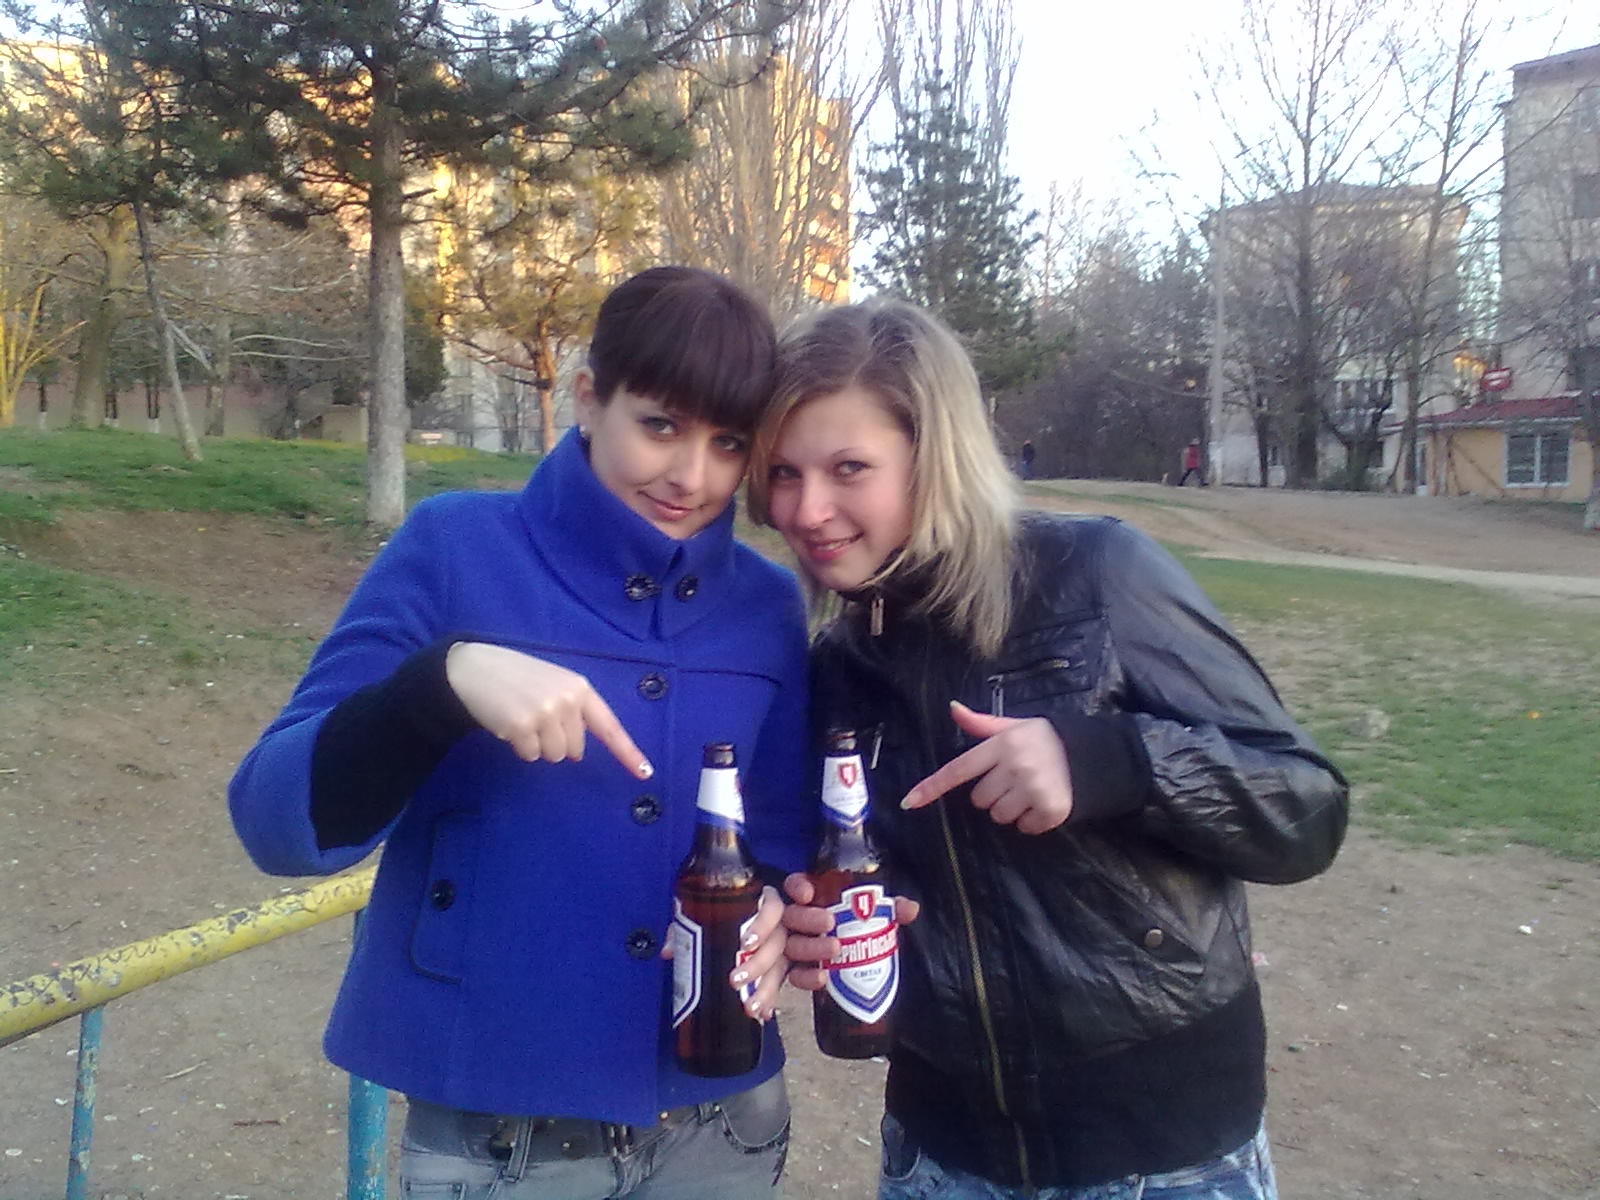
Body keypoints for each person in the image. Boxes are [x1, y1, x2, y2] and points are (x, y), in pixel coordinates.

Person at [229, 267, 814, 1199]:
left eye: (728, 443)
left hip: (722, 1125)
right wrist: (440, 684)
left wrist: (784, 906)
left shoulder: (768, 606)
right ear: (588, 398)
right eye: (660, 425)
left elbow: (782, 842)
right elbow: (275, 823)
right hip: (498, 1134)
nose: (692, 476)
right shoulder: (453, 548)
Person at [748, 299, 1348, 1200]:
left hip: (1162, 1153)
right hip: (942, 1154)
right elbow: (851, 883)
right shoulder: (834, 665)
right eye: (784, 474)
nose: (808, 509)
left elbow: (1306, 809)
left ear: (935, 456)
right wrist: (809, 922)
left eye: (849, 469)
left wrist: (1112, 762)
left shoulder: (1095, 573)